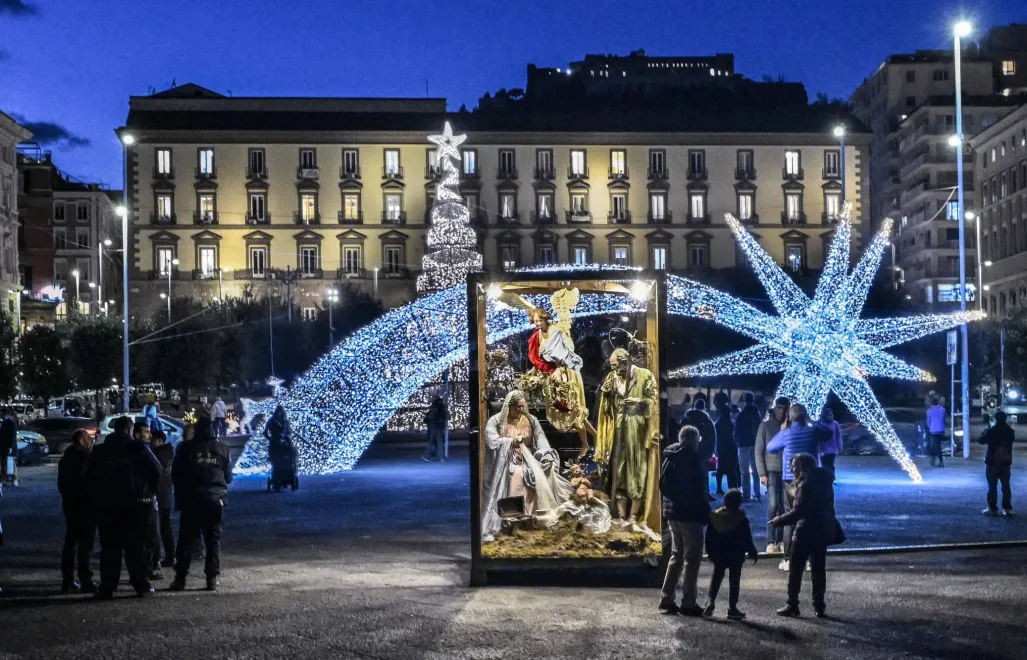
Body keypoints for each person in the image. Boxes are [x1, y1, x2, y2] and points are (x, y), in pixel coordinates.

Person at [85, 417, 162, 599]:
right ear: (129, 430)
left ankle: (108, 586)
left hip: (108, 505)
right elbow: (157, 470)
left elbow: (88, 476)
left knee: (110, 548)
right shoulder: (139, 448)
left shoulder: (100, 451)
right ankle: (141, 584)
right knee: (135, 546)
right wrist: (148, 491)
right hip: (135, 504)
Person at [481, 390, 569, 541]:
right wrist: (510, 441)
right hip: (507, 460)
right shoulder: (496, 420)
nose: (521, 410)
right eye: (517, 407)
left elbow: (540, 439)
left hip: (528, 458)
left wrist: (545, 455)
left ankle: (531, 517)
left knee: (536, 475)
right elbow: (491, 439)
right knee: (516, 475)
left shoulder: (530, 420)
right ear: (509, 406)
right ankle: (512, 519)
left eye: (523, 407)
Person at [771, 453, 843, 618]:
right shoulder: (824, 481)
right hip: (823, 529)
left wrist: (778, 521)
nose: (791, 469)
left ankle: (792, 604)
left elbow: (799, 511)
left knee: (796, 569)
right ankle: (819, 605)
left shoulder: (806, 485)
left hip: (805, 531)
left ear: (803, 467)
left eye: (794, 466)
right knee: (818, 569)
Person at [596, 348, 660, 528]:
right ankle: (622, 516)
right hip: (619, 427)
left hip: (637, 427)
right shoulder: (613, 377)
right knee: (619, 471)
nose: (614, 369)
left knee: (636, 469)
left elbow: (654, 403)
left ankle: (634, 514)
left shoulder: (644, 375)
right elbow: (607, 409)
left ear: (625, 361)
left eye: (616, 365)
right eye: (612, 366)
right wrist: (606, 394)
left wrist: (638, 402)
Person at [526, 299, 597, 459]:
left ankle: (590, 442)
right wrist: (534, 370)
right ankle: (592, 440)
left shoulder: (556, 330)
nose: (537, 323)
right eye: (535, 321)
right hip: (554, 375)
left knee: (574, 409)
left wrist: (560, 369)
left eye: (540, 320)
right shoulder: (537, 335)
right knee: (565, 410)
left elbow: (567, 352)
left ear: (545, 319)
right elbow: (541, 358)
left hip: (567, 372)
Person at [169, 420, 233, 592]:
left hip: (192, 498)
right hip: (214, 499)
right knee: (213, 539)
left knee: (186, 541)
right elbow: (228, 476)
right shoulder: (222, 448)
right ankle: (212, 578)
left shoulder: (185, 448)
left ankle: (180, 578)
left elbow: (176, 474)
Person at [767, 404, 829, 570]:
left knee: (790, 517)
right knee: (810, 518)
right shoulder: (813, 431)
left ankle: (788, 559)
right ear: (805, 416)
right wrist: (812, 421)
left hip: (790, 480)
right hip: (811, 480)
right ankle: (809, 560)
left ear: (790, 417)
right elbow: (828, 434)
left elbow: (770, 447)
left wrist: (783, 430)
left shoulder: (786, 433)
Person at [658, 425, 711, 616]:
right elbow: (697, 491)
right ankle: (688, 602)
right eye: (697, 440)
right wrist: (705, 511)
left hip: (672, 514)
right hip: (689, 515)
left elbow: (663, 485)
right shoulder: (691, 459)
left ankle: (666, 598)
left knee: (676, 556)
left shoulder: (670, 457)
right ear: (692, 439)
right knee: (692, 560)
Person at [702, 488, 758, 620]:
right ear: (739, 503)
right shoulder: (741, 519)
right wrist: (752, 551)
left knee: (716, 578)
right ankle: (732, 608)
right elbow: (747, 538)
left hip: (719, 554)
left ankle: (710, 601)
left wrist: (710, 552)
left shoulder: (715, 517)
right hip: (736, 554)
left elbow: (709, 538)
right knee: (734, 581)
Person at [58, 429, 97, 593]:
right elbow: (90, 482)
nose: (91, 441)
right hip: (85, 505)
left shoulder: (65, 459)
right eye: (88, 438)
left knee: (71, 542)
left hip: (70, 504)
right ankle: (85, 578)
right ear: (82, 441)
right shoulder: (86, 459)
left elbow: (62, 484)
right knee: (85, 544)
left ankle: (67, 578)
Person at [756, 397, 789, 555]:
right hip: (771, 470)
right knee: (773, 505)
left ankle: (780, 540)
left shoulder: (790, 426)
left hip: (787, 471)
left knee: (784, 506)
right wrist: (762, 473)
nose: (782, 411)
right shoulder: (765, 426)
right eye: (780, 408)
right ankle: (771, 541)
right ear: (775, 408)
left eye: (785, 408)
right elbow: (759, 450)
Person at [978, 410, 1015, 516]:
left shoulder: (992, 430)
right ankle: (1007, 508)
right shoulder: (1010, 431)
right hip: (1005, 462)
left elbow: (980, 440)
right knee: (1006, 486)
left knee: (992, 486)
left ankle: (992, 508)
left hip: (992, 462)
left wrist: (986, 429)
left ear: (995, 419)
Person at [150, 429, 176, 568]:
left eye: (152, 438)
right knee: (166, 526)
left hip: (158, 494)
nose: (150, 440)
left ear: (159, 440)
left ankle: (156, 559)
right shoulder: (170, 453)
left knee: (157, 527)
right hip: (166, 493)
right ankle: (170, 555)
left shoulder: (157, 455)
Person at [684, 398, 717, 496]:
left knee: (690, 472)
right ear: (704, 407)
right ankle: (705, 493)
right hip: (704, 450)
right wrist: (711, 450)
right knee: (704, 472)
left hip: (688, 450)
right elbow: (712, 436)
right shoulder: (707, 420)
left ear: (694, 406)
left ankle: (690, 493)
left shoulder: (687, 418)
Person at [733, 393, 762, 502]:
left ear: (744, 400)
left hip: (743, 445)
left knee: (744, 471)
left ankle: (746, 494)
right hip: (755, 445)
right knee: (755, 471)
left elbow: (736, 432)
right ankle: (757, 493)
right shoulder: (757, 414)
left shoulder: (741, 415)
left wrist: (739, 442)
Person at [714, 402, 739, 494]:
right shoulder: (732, 424)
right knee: (732, 470)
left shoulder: (717, 424)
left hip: (721, 449)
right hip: (731, 449)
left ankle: (719, 488)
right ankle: (732, 488)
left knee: (720, 470)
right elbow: (735, 436)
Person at [816, 407, 843, 482]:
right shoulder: (820, 423)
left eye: (831, 415)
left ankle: (831, 478)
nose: (830, 416)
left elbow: (838, 435)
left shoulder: (835, 424)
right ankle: (826, 478)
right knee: (824, 463)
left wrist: (839, 445)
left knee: (830, 463)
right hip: (823, 447)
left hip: (832, 447)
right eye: (828, 415)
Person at [422, 396, 448, 462]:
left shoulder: (434, 408)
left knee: (434, 442)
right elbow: (445, 417)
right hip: (436, 427)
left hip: (434, 427)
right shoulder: (440, 408)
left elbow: (428, 418)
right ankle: (440, 457)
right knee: (438, 442)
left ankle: (428, 455)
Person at [926, 397, 947, 467]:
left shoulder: (929, 411)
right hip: (941, 430)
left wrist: (930, 428)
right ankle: (934, 459)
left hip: (933, 430)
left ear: (931, 403)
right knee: (936, 445)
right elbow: (944, 420)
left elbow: (928, 422)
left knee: (936, 446)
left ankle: (940, 462)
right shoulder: (943, 410)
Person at [0, 411, 16, 486]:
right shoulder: (10, 423)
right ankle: (6, 479)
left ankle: (4, 479)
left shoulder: (5, 423)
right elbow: (12, 436)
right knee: (6, 463)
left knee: (4, 463)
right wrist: (10, 446)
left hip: (4, 446)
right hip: (6, 446)